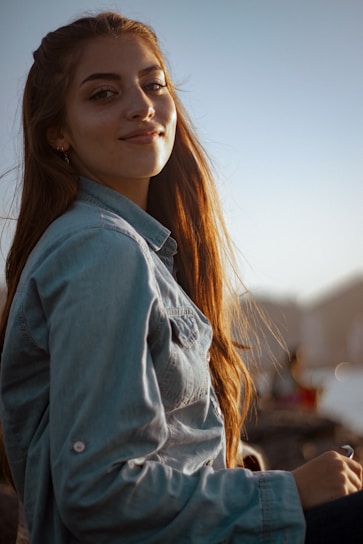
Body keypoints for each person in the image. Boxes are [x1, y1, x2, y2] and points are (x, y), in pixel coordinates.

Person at [0, 12, 362, 544]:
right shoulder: (102, 251)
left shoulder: (126, 248)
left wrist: (252, 475)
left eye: (154, 85)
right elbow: (99, 492)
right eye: (103, 94)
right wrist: (289, 493)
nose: (142, 105)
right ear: (57, 133)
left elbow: (164, 456)